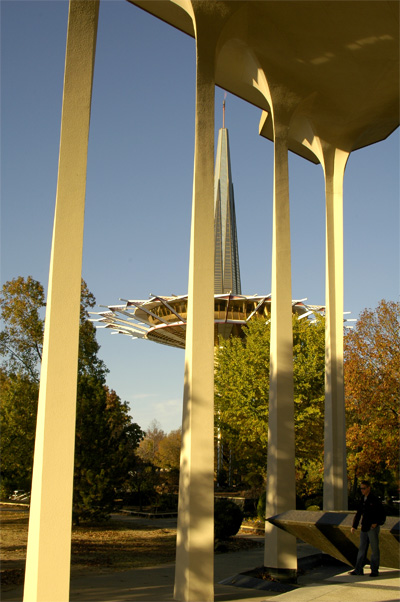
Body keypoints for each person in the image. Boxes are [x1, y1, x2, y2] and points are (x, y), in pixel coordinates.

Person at [349, 480, 385, 577]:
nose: (362, 490)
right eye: (361, 488)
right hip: (364, 527)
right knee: (362, 548)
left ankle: (374, 570)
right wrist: (354, 526)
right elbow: (359, 513)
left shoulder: (374, 499)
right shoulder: (362, 499)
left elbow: (381, 513)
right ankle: (358, 569)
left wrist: (376, 523)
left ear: (368, 488)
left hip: (372, 527)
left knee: (374, 549)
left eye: (364, 488)